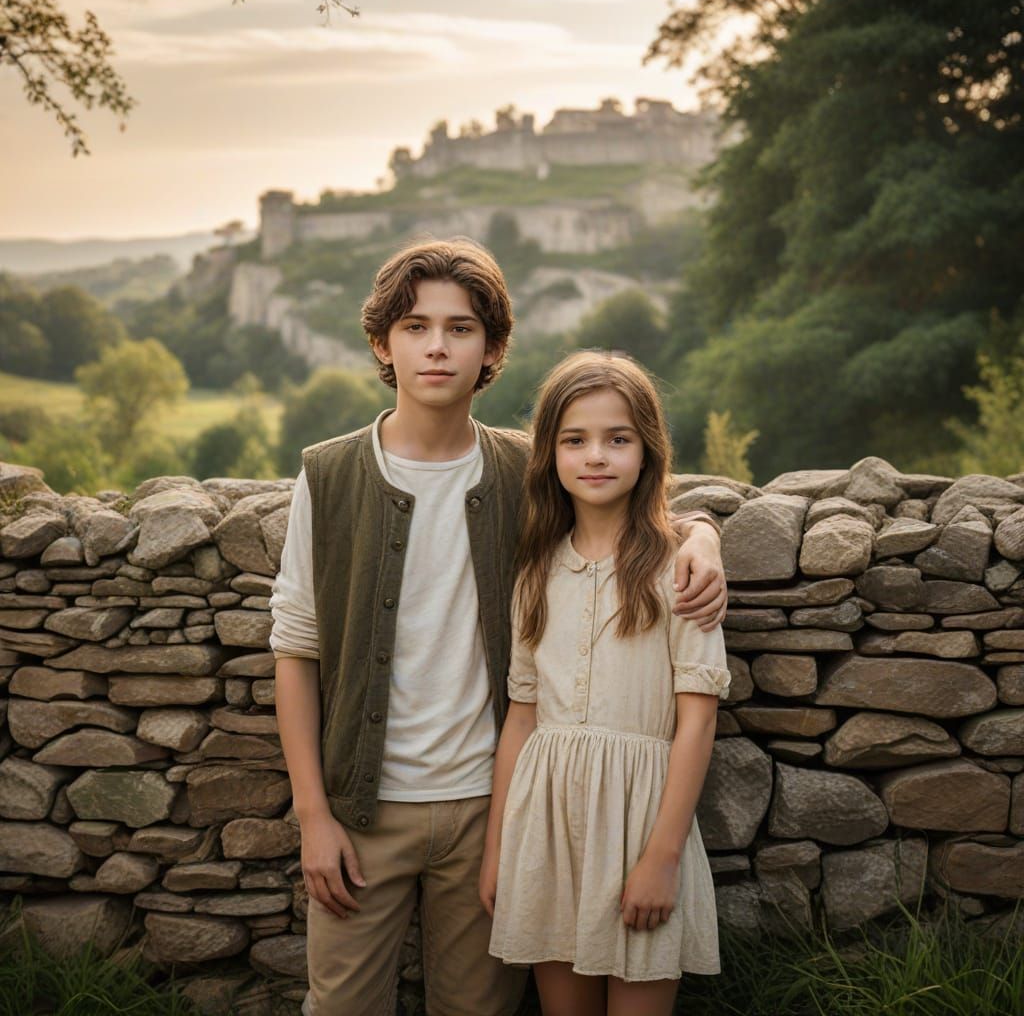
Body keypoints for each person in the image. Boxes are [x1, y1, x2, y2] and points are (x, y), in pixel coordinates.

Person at [269, 239, 727, 1016]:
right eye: (415, 327)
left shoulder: (525, 469)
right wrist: (313, 817)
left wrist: (705, 534)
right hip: (361, 808)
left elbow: (628, 503)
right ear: (383, 342)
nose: (438, 347)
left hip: (497, 811)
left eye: (461, 328)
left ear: (493, 348)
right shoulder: (329, 474)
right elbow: (295, 650)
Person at [481, 351, 731, 1016]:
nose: (596, 456)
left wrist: (662, 857)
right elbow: (522, 717)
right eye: (575, 440)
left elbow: (697, 722)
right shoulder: (535, 572)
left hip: (642, 824)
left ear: (647, 452)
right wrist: (499, 850)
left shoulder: (680, 571)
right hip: (548, 830)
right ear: (550, 455)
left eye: (617, 439)